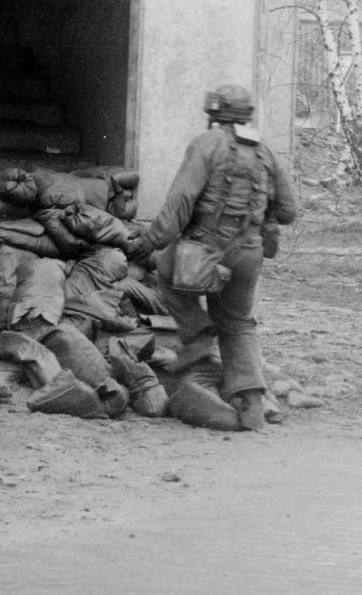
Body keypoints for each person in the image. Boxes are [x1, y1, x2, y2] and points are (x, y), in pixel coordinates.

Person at [125, 84, 298, 430]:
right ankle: (251, 406)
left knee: (165, 273)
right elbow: (289, 210)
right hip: (249, 254)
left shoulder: (207, 144)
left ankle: (199, 336)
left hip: (203, 250)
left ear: (214, 115)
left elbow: (181, 202)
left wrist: (150, 241)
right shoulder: (266, 151)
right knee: (238, 323)